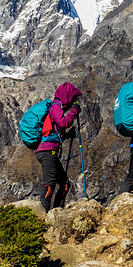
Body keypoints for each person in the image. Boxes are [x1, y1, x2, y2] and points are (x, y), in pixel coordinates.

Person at [36, 82, 83, 211]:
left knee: (65, 184)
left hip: (48, 151)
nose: (74, 101)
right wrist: (74, 111)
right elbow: (62, 123)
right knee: (50, 184)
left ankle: (56, 212)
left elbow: (54, 132)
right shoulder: (56, 107)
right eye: (73, 98)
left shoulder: (57, 108)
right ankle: (43, 215)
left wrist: (67, 136)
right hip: (47, 152)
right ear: (68, 97)